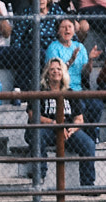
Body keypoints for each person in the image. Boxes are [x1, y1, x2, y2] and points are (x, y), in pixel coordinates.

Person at [33, 57, 98, 187]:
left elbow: (79, 119)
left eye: (59, 69)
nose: (55, 71)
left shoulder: (70, 93)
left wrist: (72, 129)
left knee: (89, 144)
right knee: (37, 136)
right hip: (48, 130)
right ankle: (39, 176)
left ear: (63, 73)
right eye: (52, 69)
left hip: (67, 132)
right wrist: (55, 124)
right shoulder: (41, 92)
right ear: (47, 73)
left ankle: (87, 185)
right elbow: (33, 115)